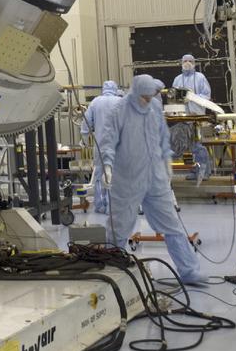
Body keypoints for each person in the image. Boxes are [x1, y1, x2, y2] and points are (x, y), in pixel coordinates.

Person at [100, 74, 203, 285]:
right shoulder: (119, 111)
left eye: (151, 97)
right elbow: (107, 142)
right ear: (135, 92)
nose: (147, 101)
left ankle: (189, 270)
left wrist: (166, 160)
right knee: (119, 226)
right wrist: (107, 166)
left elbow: (163, 137)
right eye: (144, 97)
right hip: (127, 177)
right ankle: (113, 269)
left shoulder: (155, 108)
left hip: (155, 177)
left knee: (172, 224)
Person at [79, 80, 123, 213]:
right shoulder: (121, 102)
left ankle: (100, 205)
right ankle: (114, 206)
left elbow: (86, 123)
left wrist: (85, 139)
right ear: (116, 89)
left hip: (100, 144)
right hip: (118, 145)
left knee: (99, 174)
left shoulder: (96, 102)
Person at [172, 55, 212, 180]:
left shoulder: (200, 77)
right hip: (182, 117)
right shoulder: (177, 79)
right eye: (185, 61)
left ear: (194, 63)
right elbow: (173, 96)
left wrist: (193, 97)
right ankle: (196, 170)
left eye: (190, 61)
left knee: (197, 145)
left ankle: (203, 172)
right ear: (181, 63)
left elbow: (206, 95)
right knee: (187, 146)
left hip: (197, 117)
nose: (187, 63)